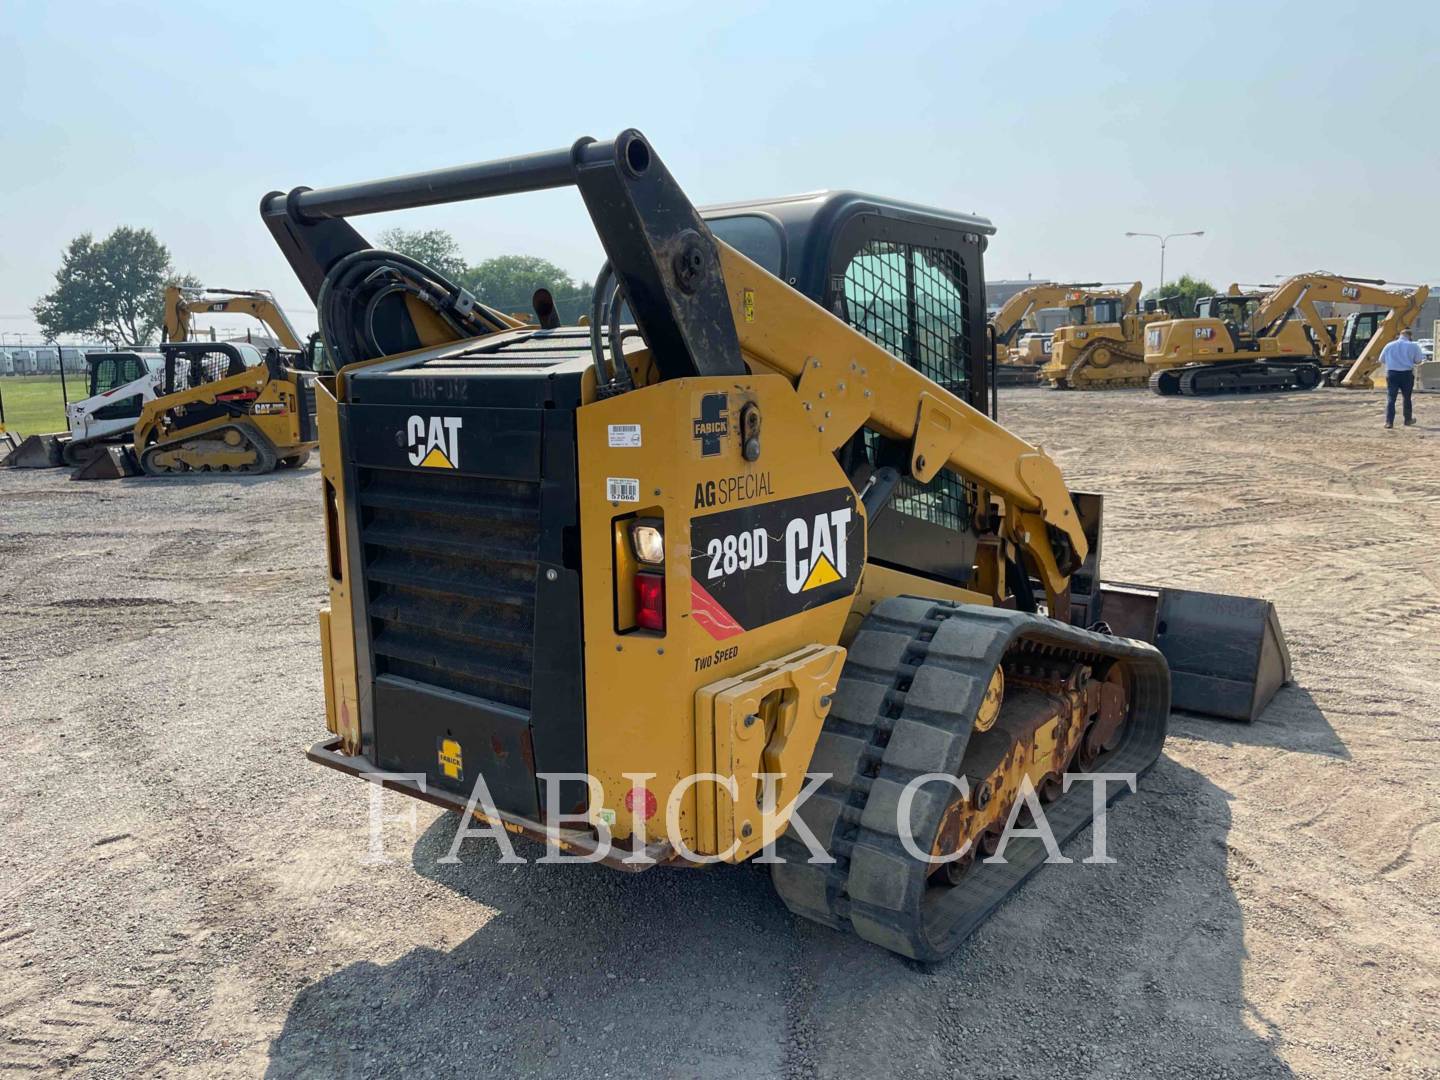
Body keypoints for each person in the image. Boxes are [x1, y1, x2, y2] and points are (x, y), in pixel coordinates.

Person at [1378, 327, 1423, 429]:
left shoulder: (1389, 345)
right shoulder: (1413, 346)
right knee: (1407, 398)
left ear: (1400, 335)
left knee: (1391, 398)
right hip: (1406, 374)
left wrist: (1393, 362)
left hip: (1392, 374)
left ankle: (1389, 422)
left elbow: (1381, 359)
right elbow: (1418, 361)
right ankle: (1407, 420)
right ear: (1409, 336)